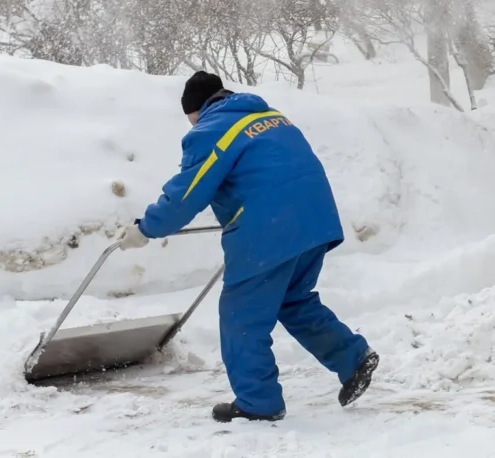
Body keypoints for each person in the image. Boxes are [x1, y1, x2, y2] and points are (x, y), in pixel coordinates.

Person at [117, 71, 378, 423]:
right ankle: (353, 358)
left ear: (197, 109)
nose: (190, 122)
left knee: (242, 317)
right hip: (316, 220)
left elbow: (187, 193)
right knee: (294, 300)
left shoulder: (211, 131)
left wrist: (145, 229)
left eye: (189, 115)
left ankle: (258, 402)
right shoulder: (271, 117)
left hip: (270, 228)